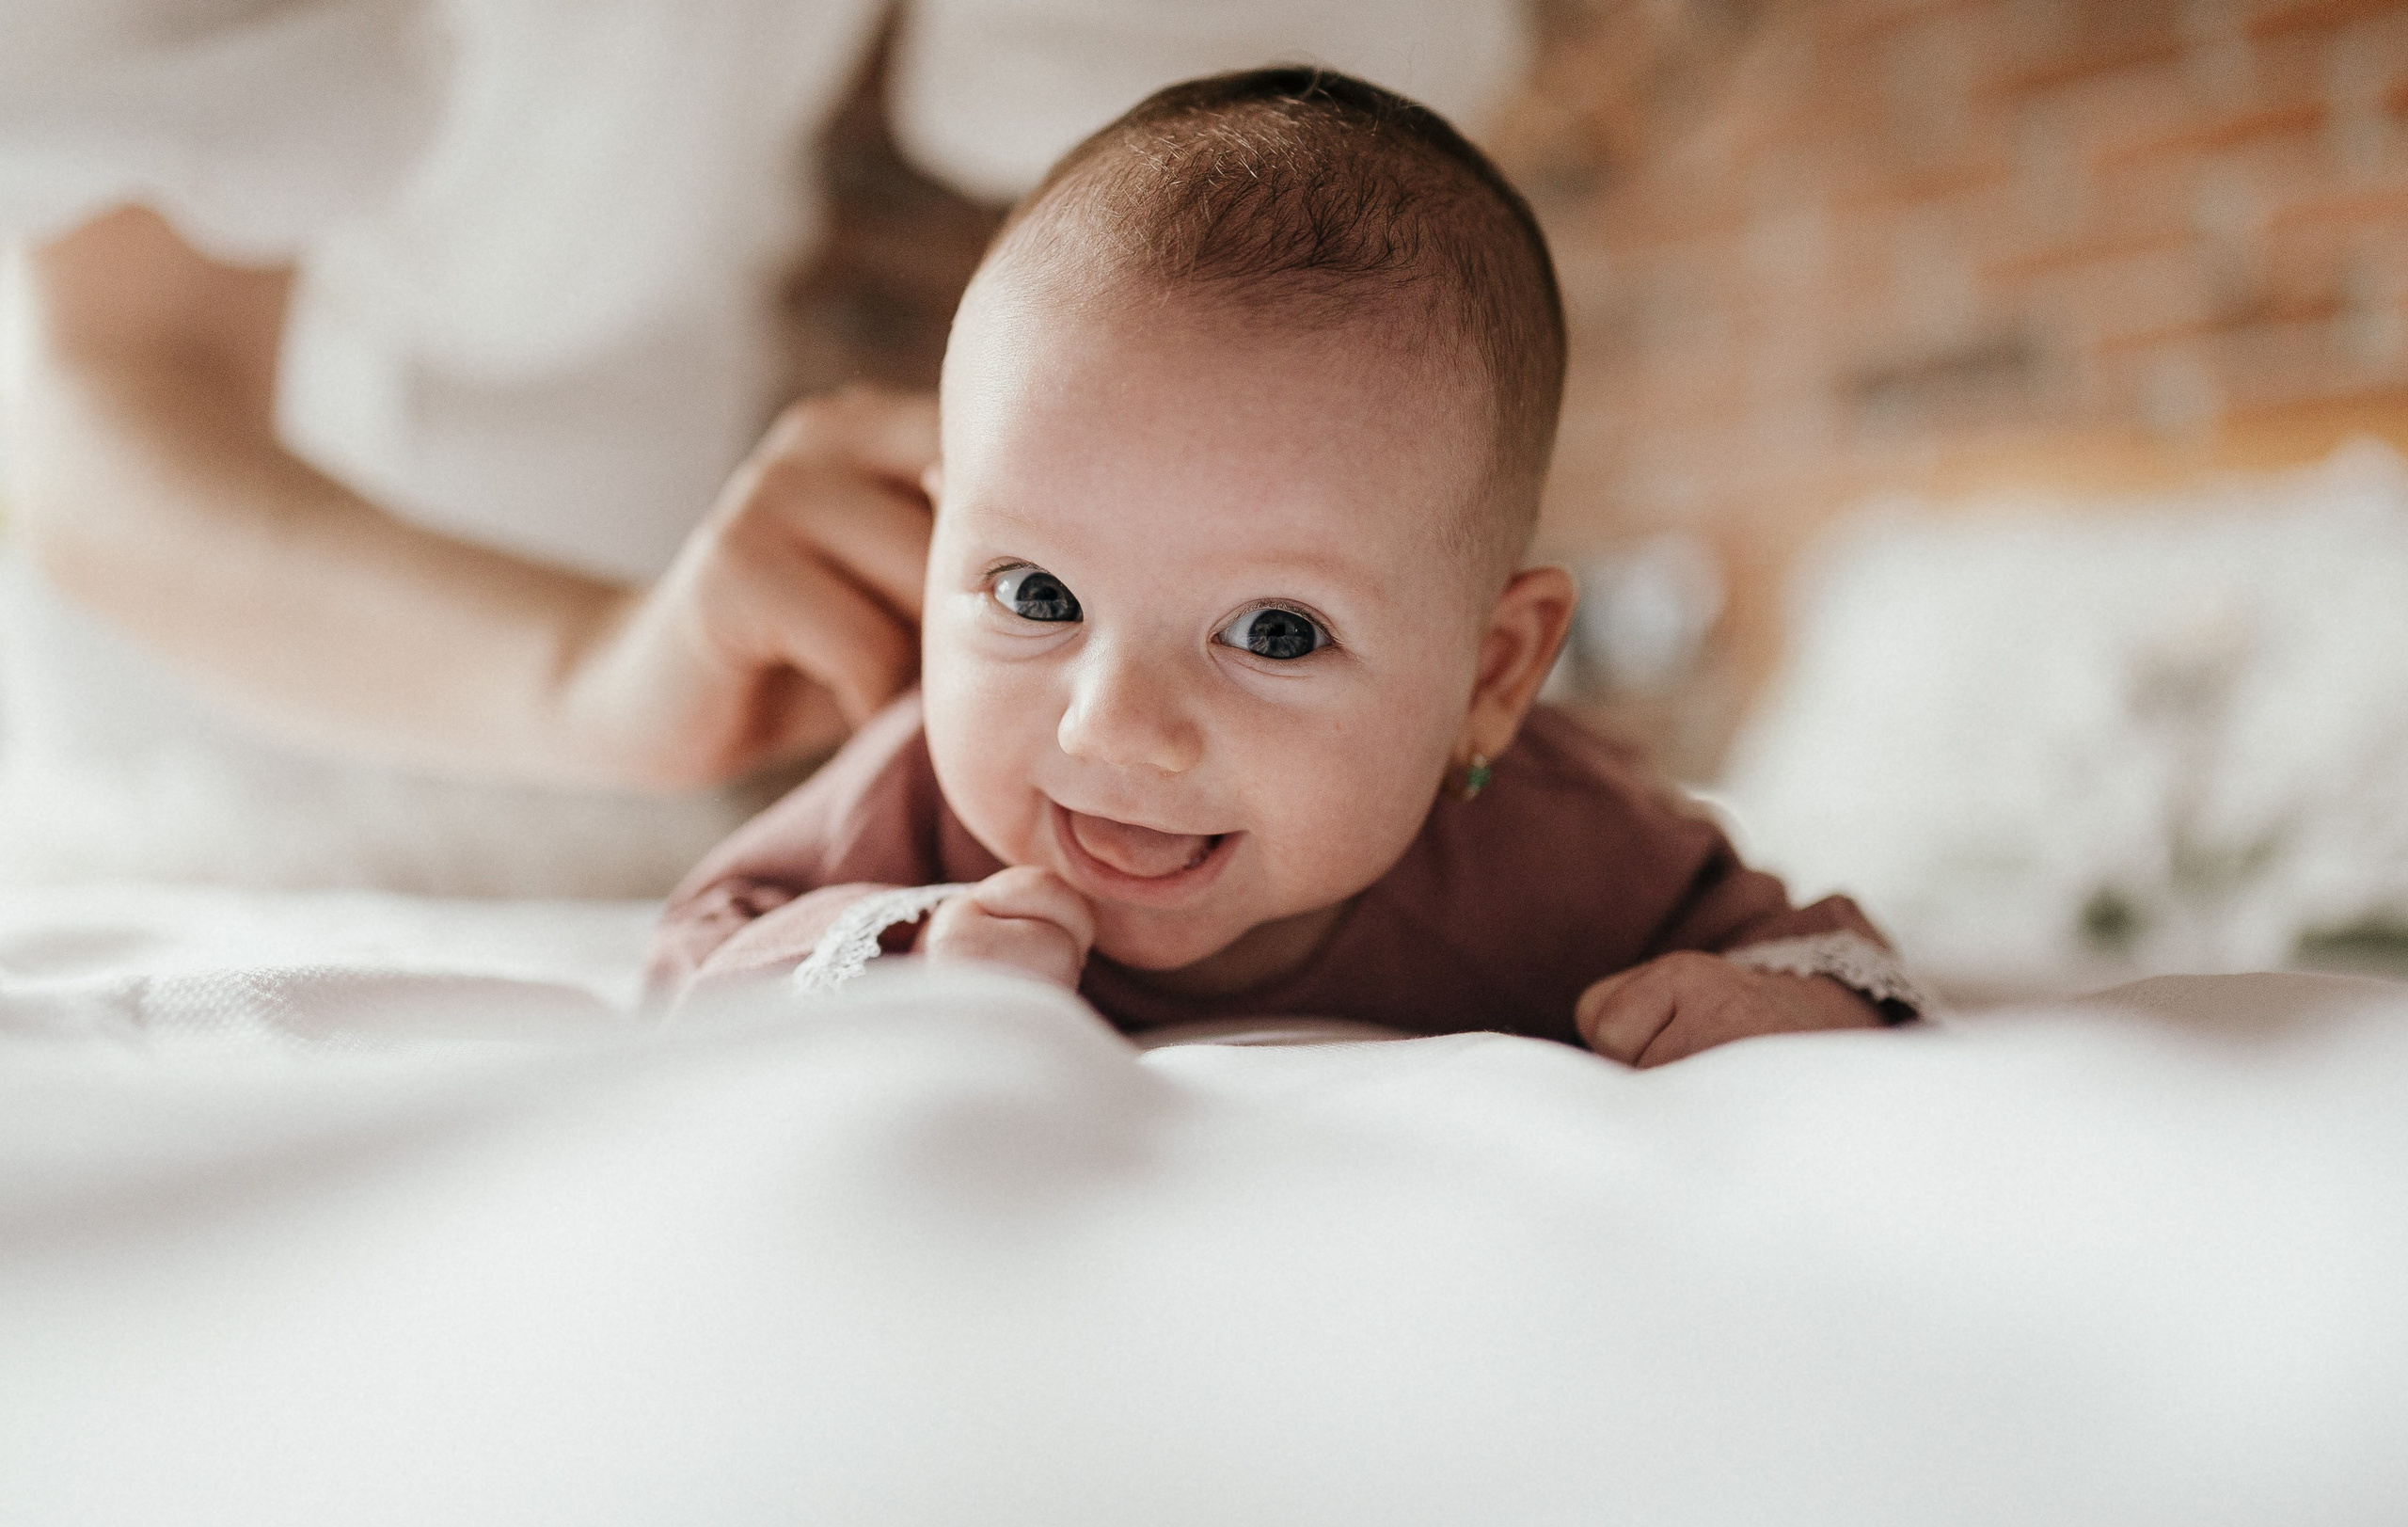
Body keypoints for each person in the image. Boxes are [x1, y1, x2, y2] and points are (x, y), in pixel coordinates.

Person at [0, 0, 1527, 895]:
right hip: (217, 697)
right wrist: (595, 673)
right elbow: (109, 392)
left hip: (702, 717)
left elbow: (1254, 222)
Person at [648, 69, 1926, 1062]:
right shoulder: (914, 797)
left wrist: (1779, 1009)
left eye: (1275, 631)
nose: (1116, 726)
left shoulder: (1562, 843)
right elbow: (690, 952)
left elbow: (1823, 955)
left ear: (1493, 676)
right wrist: (899, 962)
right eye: (1039, 596)